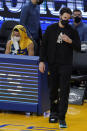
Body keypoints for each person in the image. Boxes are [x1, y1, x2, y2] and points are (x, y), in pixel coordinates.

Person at [39, 7, 81, 128]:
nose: (66, 21)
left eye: (68, 19)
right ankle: (53, 112)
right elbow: (43, 46)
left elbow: (78, 47)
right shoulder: (50, 29)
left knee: (64, 91)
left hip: (66, 65)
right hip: (53, 64)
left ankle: (62, 117)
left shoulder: (72, 31)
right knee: (53, 90)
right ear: (60, 16)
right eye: (64, 18)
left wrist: (70, 41)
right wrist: (41, 61)